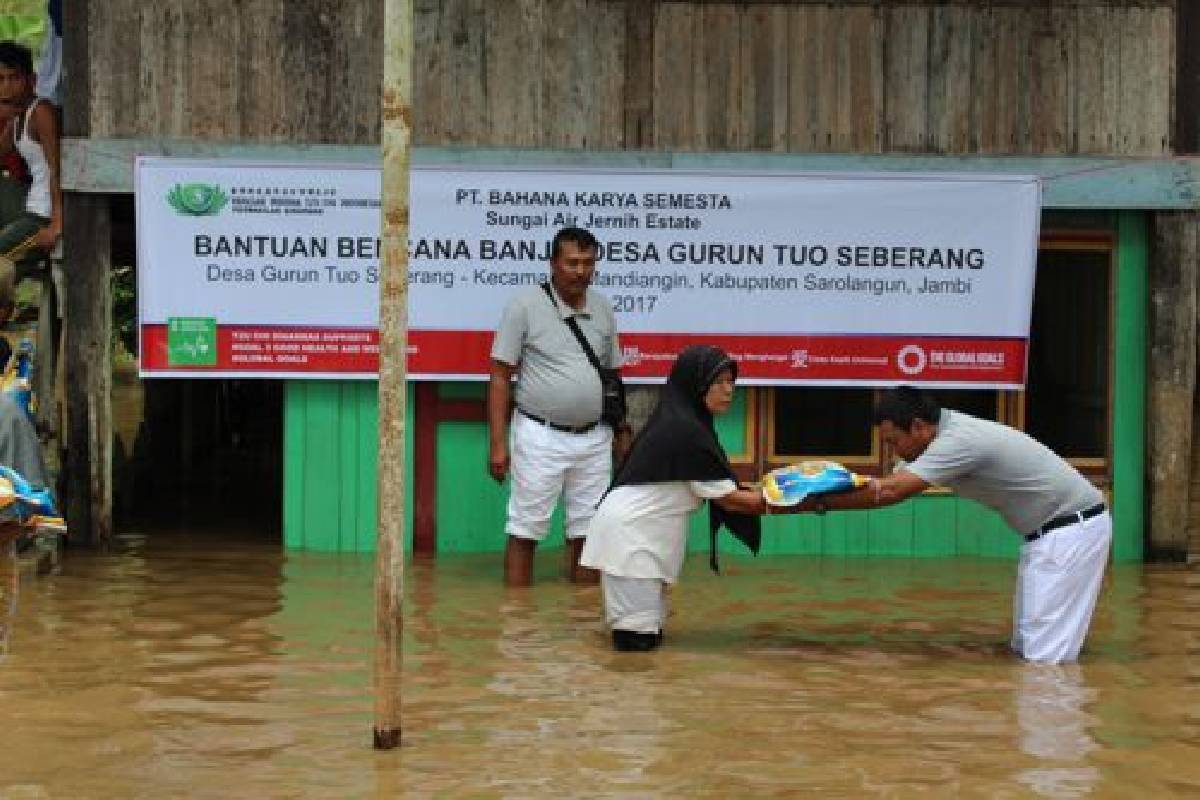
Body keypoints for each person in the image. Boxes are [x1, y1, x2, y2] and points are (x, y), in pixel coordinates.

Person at [797, 386, 1110, 664]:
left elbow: (891, 490)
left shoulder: (958, 442)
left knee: (1044, 662)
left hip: (1069, 532)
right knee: (1028, 646)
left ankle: (1057, 726)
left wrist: (816, 502)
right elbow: (884, 483)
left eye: (894, 442)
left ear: (918, 427)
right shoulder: (937, 438)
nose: (894, 452)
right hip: (1050, 535)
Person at [580, 344, 766, 652]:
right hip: (633, 542)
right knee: (635, 646)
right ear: (695, 384)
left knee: (647, 640)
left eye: (731, 381)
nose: (728, 390)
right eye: (718, 382)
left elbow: (721, 485)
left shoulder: (685, 424)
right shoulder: (686, 432)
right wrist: (807, 501)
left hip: (640, 540)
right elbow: (730, 500)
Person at [488, 227, 626, 587]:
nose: (580, 271)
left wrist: (619, 430)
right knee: (525, 530)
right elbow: (500, 376)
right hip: (539, 435)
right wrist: (498, 443)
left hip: (595, 438)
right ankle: (516, 622)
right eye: (572, 263)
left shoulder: (603, 307)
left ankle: (583, 626)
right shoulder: (524, 306)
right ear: (553, 264)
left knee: (590, 533)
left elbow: (613, 375)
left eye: (588, 263)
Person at [0, 41, 61, 324]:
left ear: (31, 80)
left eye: (14, 78)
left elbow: (57, 169)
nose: (7, 86)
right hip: (27, 203)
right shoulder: (16, 118)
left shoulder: (41, 112)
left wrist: (57, 224)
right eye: (1, 79)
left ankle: (6, 306)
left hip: (42, 216)